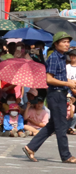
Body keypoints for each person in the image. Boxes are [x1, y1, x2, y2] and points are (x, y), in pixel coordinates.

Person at [22, 32, 76, 163]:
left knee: (52, 125)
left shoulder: (62, 57)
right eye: (63, 42)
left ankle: (31, 147)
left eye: (68, 42)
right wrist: (67, 83)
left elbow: (60, 77)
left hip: (61, 93)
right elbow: (49, 79)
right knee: (62, 126)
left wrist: (71, 83)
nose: (67, 44)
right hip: (55, 94)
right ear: (56, 44)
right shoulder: (54, 58)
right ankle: (66, 156)